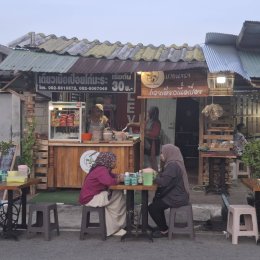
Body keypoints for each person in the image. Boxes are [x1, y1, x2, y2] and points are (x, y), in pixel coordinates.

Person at [79, 152, 126, 237]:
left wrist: (118, 176)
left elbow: (111, 176)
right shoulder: (101, 170)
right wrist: (119, 179)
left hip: (89, 197)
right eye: (114, 161)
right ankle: (114, 228)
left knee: (115, 197)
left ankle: (114, 227)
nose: (115, 163)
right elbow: (109, 182)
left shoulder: (101, 168)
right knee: (118, 196)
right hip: (91, 199)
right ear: (108, 161)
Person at [148, 144, 190, 238]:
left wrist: (152, 176)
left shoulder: (173, 166)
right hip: (177, 194)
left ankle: (164, 230)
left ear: (169, 153)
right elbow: (166, 179)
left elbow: (163, 182)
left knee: (153, 208)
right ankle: (162, 227)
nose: (161, 155)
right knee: (157, 202)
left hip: (177, 197)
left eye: (162, 153)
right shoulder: (174, 163)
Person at [127, 106, 161, 171]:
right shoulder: (149, 120)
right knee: (147, 158)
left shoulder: (156, 122)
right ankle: (149, 172)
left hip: (153, 143)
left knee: (153, 159)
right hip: (147, 141)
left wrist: (143, 132)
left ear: (153, 113)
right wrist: (131, 124)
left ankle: (156, 173)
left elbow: (155, 133)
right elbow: (142, 124)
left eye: (149, 112)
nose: (147, 113)